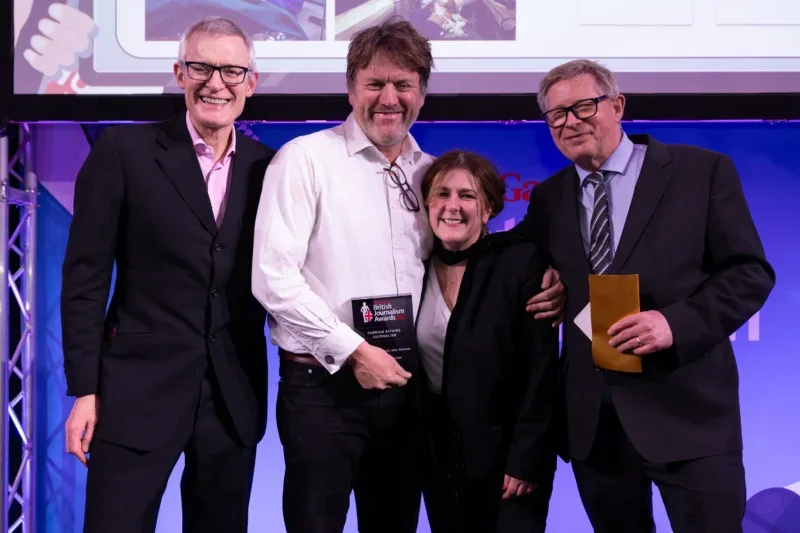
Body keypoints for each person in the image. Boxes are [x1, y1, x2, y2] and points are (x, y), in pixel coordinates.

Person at [250, 19, 563, 533]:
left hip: (407, 391)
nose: (388, 98)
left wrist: (551, 275)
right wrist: (353, 350)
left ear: (422, 93)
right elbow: (271, 277)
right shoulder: (306, 159)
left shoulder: (432, 174)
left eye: (404, 85)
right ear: (351, 88)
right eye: (375, 84)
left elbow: (476, 249)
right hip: (323, 389)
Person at [514, 59, 775, 532]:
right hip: (596, 427)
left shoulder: (702, 172)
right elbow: (524, 265)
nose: (570, 121)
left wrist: (673, 323)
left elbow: (749, 273)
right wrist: (547, 283)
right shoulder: (549, 198)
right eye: (557, 114)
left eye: (583, 106)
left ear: (617, 105)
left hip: (689, 418)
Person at [61, 16, 273, 533]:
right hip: (135, 395)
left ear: (251, 82)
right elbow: (85, 279)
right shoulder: (122, 154)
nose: (215, 83)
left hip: (231, 399)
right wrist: (84, 391)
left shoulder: (270, 168)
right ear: (179, 73)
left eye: (230, 71)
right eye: (201, 67)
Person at [416, 150, 560, 533]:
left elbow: (541, 371)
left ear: (489, 208)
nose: (452, 206)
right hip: (437, 460)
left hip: (508, 463)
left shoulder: (520, 265)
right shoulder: (412, 269)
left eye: (467, 195)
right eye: (441, 194)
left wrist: (526, 459)